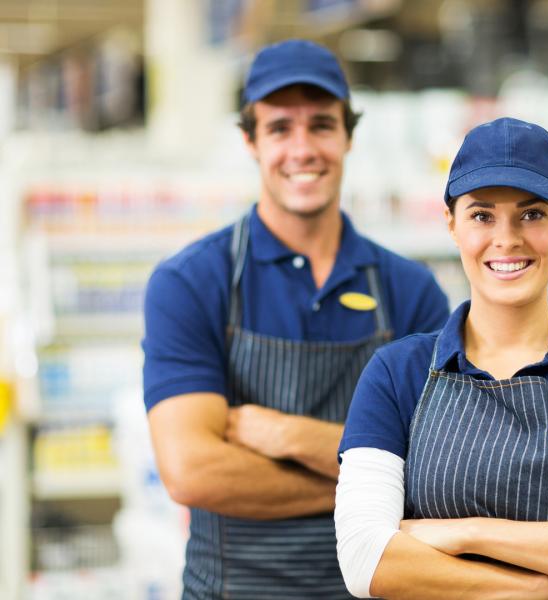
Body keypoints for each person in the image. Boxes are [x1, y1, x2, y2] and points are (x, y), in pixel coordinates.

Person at [141, 40, 449, 599]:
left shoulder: (410, 290)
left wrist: (287, 435)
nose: (302, 148)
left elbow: (440, 466)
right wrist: (374, 474)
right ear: (250, 141)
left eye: (322, 125)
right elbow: (192, 471)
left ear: (349, 136)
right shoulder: (192, 282)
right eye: (281, 128)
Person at [334, 117, 548, 599]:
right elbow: (364, 561)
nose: (507, 238)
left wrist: (462, 533)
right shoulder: (398, 372)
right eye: (482, 215)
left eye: (532, 214)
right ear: (451, 224)